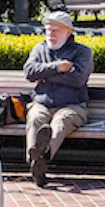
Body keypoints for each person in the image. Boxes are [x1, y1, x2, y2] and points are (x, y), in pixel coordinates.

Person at [20, 10, 93, 188]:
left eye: (55, 30)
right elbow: (29, 72)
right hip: (42, 102)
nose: (50, 34)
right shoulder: (39, 49)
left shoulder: (82, 52)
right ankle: (36, 162)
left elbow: (78, 79)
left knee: (60, 122)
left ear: (68, 32)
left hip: (72, 105)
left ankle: (40, 159)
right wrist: (58, 67)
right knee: (36, 117)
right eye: (48, 30)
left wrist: (44, 74)